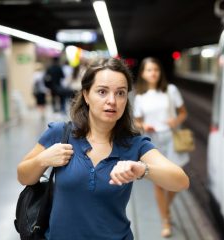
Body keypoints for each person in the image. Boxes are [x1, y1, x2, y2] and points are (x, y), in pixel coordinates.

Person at [17, 58, 189, 240]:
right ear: (86, 95)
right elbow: (23, 176)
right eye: (102, 92)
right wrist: (42, 160)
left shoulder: (134, 144)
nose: (112, 101)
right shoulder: (60, 133)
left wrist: (143, 170)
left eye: (120, 93)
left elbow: (181, 181)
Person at [133, 57, 189, 237]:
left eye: (155, 69)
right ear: (143, 73)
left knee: (178, 180)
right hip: (153, 142)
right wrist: (143, 126)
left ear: (160, 72)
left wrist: (175, 120)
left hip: (172, 138)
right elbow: (137, 121)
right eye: (149, 70)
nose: (153, 73)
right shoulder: (140, 97)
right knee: (159, 184)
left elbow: (183, 113)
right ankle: (165, 219)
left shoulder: (171, 90)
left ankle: (165, 208)